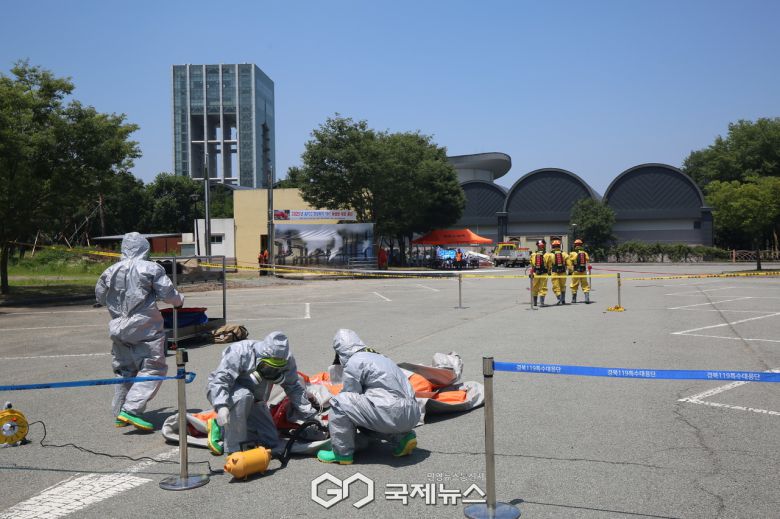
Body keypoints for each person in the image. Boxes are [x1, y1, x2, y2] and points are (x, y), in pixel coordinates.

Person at [95, 232, 184, 431]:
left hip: (118, 326)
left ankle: (120, 413)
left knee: (125, 370)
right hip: (145, 327)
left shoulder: (109, 271)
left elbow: (100, 297)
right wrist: (179, 301)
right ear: (144, 248)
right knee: (154, 367)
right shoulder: (151, 268)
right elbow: (168, 294)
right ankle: (132, 410)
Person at [317, 329, 420, 464]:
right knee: (363, 410)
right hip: (412, 413)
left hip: (392, 412)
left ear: (340, 350)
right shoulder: (381, 357)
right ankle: (402, 438)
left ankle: (342, 454)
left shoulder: (354, 361)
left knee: (339, 402)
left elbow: (350, 394)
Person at [205, 331, 317, 456]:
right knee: (243, 396)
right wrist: (221, 406)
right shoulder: (240, 352)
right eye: (269, 366)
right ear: (260, 357)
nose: (272, 372)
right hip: (225, 392)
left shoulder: (286, 358)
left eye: (277, 368)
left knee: (270, 440)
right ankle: (234, 451)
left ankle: (220, 428)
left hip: (254, 399)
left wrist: (310, 414)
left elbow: (293, 387)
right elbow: (221, 380)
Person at [569, 239, 591, 303]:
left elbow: (570, 262)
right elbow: (587, 259)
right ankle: (587, 298)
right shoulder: (584, 253)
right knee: (585, 284)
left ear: (575, 245)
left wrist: (570, 270)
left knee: (574, 285)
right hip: (583, 271)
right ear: (581, 245)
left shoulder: (572, 253)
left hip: (575, 271)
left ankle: (574, 299)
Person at [529, 240, 549, 308]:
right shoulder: (547, 255)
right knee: (543, 288)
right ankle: (542, 302)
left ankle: (535, 302)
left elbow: (532, 265)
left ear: (537, 246)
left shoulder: (533, 255)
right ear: (544, 246)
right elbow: (549, 264)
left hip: (535, 273)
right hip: (544, 273)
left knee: (535, 287)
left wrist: (531, 273)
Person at [549, 239, 569, 305]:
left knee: (556, 286)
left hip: (555, 272)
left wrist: (548, 271)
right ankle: (563, 300)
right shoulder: (564, 254)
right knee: (562, 286)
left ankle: (559, 299)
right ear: (560, 246)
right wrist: (571, 270)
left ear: (552, 246)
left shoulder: (550, 255)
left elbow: (548, 264)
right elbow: (569, 263)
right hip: (563, 272)